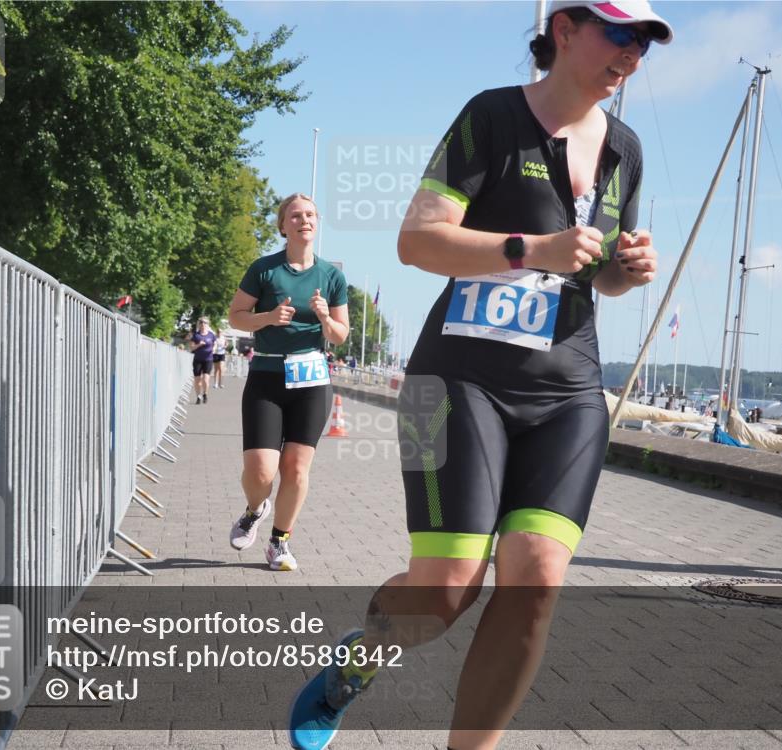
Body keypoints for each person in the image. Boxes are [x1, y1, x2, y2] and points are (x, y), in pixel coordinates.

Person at [289, 1, 671, 747]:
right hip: (461, 382)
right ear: (564, 29)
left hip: (567, 391)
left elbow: (594, 273)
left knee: (535, 581)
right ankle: (357, 664)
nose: (633, 54)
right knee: (443, 593)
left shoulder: (626, 147)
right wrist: (530, 248)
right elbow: (417, 240)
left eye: (646, 41)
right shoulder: (491, 117)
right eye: (619, 33)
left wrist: (626, 270)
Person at [227, 193, 350, 571]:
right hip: (267, 374)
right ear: (283, 226)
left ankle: (279, 541)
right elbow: (235, 317)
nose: (304, 220)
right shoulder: (265, 270)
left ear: (317, 223)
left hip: (311, 380)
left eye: (310, 214)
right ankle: (254, 509)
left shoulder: (332, 276)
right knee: (261, 471)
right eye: (295, 215)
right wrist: (266, 318)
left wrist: (324, 317)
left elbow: (340, 335)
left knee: (296, 468)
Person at [190, 317, 217, 404]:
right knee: (197, 379)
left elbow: (215, 344)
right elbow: (192, 348)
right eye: (201, 323)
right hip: (198, 359)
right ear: (199, 324)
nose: (203, 324)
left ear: (207, 324)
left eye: (205, 323)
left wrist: (214, 349)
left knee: (206, 379)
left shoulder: (211, 335)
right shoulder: (196, 335)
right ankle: (198, 396)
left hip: (208, 359)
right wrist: (199, 345)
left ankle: (205, 393)